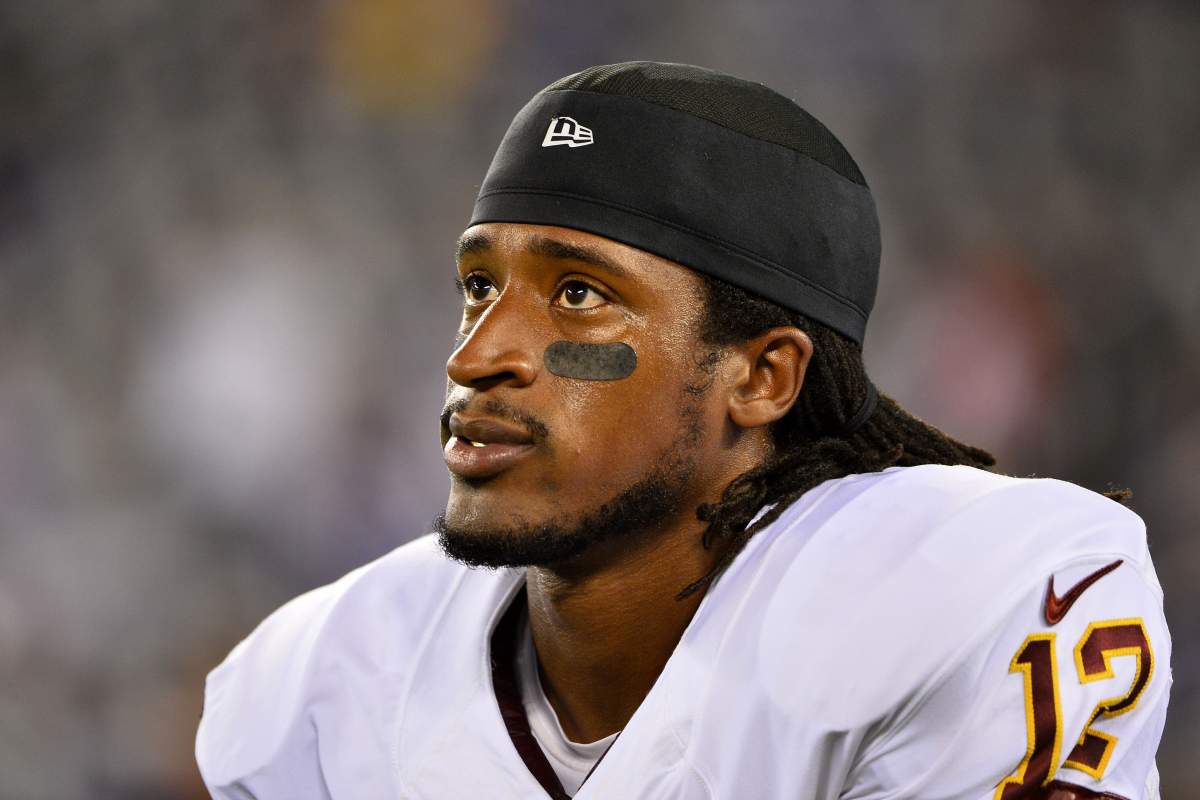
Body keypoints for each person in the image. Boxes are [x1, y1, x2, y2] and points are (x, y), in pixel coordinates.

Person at [195, 62, 1171, 799]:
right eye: (480, 287)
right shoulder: (322, 679)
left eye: (579, 295)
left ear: (761, 376)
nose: (476, 354)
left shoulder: (963, 590)